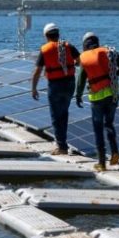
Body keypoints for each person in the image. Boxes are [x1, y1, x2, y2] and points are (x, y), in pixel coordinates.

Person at [75, 32, 119, 171]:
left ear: (85, 45)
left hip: (96, 98)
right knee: (109, 124)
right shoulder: (109, 52)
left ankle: (101, 163)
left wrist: (78, 96)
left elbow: (81, 80)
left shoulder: (84, 58)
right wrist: (111, 76)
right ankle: (115, 151)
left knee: (98, 129)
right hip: (112, 95)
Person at [31, 23, 80, 155]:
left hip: (55, 85)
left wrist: (34, 88)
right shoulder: (68, 46)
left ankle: (62, 147)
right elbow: (80, 60)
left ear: (46, 36)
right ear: (58, 34)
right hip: (70, 84)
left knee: (56, 116)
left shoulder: (45, 49)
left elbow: (37, 71)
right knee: (64, 113)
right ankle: (62, 143)